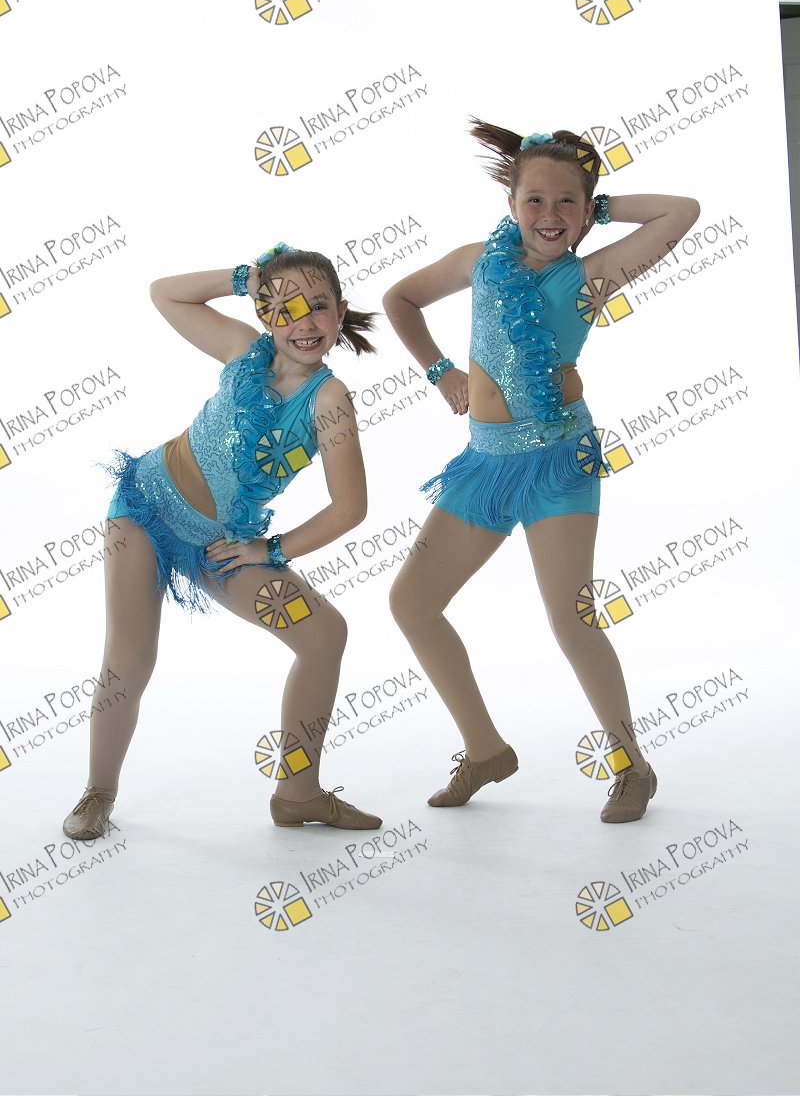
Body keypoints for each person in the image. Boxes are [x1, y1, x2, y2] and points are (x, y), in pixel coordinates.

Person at [383, 121, 700, 822]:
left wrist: (600, 206)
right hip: (486, 463)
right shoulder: (478, 262)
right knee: (411, 603)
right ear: (510, 204)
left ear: (586, 212)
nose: (549, 215)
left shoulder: (589, 276)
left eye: (567, 203)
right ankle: (485, 749)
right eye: (535, 200)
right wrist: (440, 373)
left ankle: (632, 765)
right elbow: (399, 300)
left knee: (570, 617)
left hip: (559, 461)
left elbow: (682, 211)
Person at [63, 245, 383, 839]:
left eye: (318, 306)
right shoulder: (241, 349)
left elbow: (350, 508)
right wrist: (242, 278)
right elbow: (164, 292)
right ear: (264, 314)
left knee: (324, 635)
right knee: (129, 658)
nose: (304, 321)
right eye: (284, 307)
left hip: (221, 545)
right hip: (145, 510)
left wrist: (273, 549)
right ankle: (98, 790)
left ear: (340, 312)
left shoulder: (329, 400)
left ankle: (298, 793)